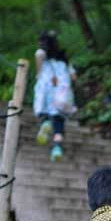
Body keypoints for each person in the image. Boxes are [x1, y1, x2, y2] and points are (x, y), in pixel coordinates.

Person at [32, 30, 76, 162]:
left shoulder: (41, 55)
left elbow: (39, 72)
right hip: (62, 94)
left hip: (46, 91)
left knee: (45, 113)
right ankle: (57, 148)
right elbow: (74, 77)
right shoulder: (64, 59)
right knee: (59, 121)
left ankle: (45, 122)